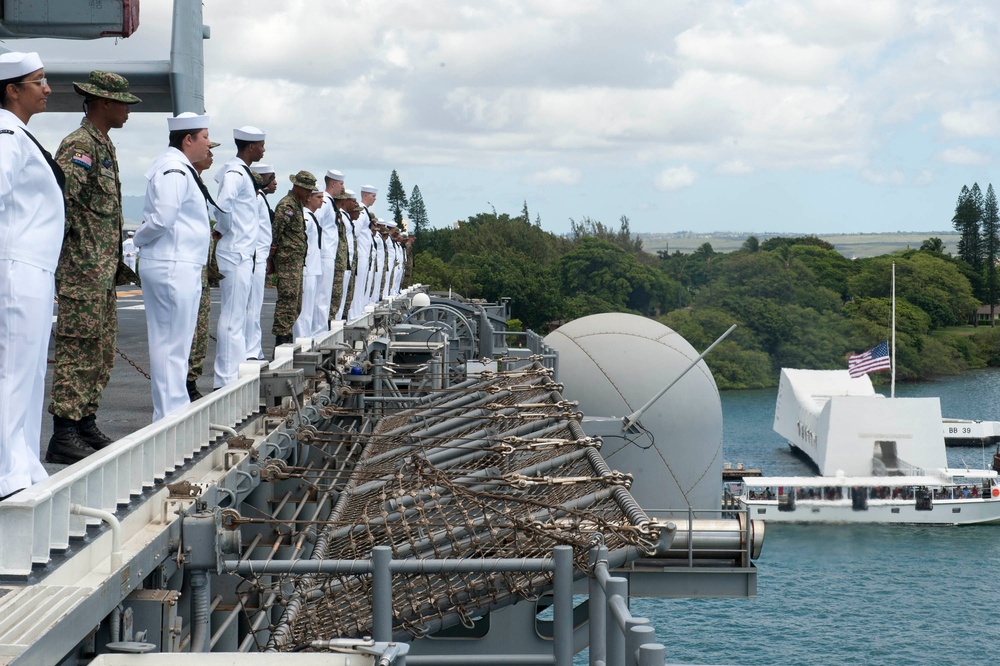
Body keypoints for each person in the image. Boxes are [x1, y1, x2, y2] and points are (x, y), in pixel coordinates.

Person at [46, 70, 141, 464]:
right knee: (77, 351)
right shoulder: (80, 146)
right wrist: (60, 266)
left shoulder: (104, 145)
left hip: (100, 273)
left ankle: (84, 422)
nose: (128, 111)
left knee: (99, 353)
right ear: (103, 103)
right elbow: (60, 208)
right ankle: (64, 433)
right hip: (81, 271)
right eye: (122, 103)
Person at [0, 52, 64, 500]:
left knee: (28, 372)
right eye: (38, 82)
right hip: (17, 265)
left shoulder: (19, 135)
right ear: (12, 90)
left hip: (34, 266)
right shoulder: (6, 134)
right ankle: (6, 472)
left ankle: (21, 463)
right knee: (13, 371)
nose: (46, 89)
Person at [134, 112, 211, 422]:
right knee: (170, 346)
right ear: (188, 139)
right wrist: (137, 239)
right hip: (171, 264)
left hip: (180, 263)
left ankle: (174, 412)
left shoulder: (181, 168)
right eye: (204, 136)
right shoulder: (173, 168)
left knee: (176, 345)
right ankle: (168, 417)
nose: (208, 143)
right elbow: (164, 217)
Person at [212, 126, 265, 389]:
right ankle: (225, 379)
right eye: (261, 145)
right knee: (232, 316)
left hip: (242, 253)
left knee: (238, 315)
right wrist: (223, 230)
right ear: (251, 146)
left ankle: (233, 371)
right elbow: (223, 205)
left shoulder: (241, 171)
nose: (263, 150)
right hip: (234, 252)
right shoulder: (235, 172)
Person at [186, 140, 222, 401]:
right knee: (188, 330)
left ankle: (190, 380)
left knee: (200, 329)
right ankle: (184, 383)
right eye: (208, 148)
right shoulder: (179, 176)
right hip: (187, 267)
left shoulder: (198, 181)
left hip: (201, 270)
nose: (211, 154)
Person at [270, 170, 316, 346]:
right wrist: (272, 258)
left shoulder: (297, 205)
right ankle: (281, 341)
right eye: (307, 190)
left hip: (295, 262)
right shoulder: (287, 206)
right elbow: (276, 233)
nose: (309, 195)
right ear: (297, 187)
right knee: (287, 301)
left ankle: (287, 337)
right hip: (287, 261)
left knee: (296, 303)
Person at [245, 163, 276, 360]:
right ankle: (250, 351)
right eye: (272, 178)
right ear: (263, 178)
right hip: (255, 255)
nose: (275, 183)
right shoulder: (255, 198)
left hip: (261, 256)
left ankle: (254, 349)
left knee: (255, 306)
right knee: (252, 306)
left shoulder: (261, 198)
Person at [314, 170, 344, 334]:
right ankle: (318, 332)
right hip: (324, 253)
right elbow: (315, 222)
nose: (342, 187)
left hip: (328, 254)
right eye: (341, 184)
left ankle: (320, 329)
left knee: (325, 295)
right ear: (333, 184)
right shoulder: (324, 202)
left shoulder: (329, 202)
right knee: (321, 297)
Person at [294, 189, 325, 338]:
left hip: (313, 267)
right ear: (308, 199)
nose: (321, 200)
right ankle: (301, 340)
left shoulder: (312, 217)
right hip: (307, 268)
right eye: (318, 197)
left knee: (309, 309)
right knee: (304, 310)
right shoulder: (305, 217)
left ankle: (306, 337)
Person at [333, 189, 359, 321]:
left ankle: (342, 318)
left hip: (347, 261)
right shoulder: (341, 216)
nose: (355, 205)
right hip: (341, 260)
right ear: (346, 201)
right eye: (353, 202)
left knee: (345, 295)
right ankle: (337, 321)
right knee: (338, 294)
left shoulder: (346, 217)